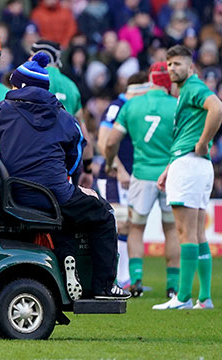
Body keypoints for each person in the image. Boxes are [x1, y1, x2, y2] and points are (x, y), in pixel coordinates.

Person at [0, 53, 130, 300]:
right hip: (54, 195)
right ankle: (104, 286)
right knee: (102, 214)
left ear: (18, 85)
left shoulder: (1, 111)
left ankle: (64, 258)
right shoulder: (65, 117)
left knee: (51, 217)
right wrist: (69, 181)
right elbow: (75, 157)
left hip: (11, 197)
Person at [154, 45, 222, 310]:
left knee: (184, 232)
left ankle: (182, 298)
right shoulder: (186, 91)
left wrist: (204, 142)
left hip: (190, 163)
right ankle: (204, 298)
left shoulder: (193, 87)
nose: (172, 68)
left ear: (191, 67)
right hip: (194, 165)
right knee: (196, 233)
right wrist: (169, 168)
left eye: (178, 64)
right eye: (169, 64)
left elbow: (217, 107)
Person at [104, 62, 179, 298]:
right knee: (172, 229)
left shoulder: (132, 105)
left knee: (136, 227)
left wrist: (109, 162)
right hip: (170, 174)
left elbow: (110, 141)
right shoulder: (177, 105)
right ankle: (173, 286)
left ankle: (135, 281)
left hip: (142, 174)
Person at [96, 71, 149, 289]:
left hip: (129, 176)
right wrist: (119, 169)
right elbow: (103, 141)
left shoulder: (132, 108)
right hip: (114, 177)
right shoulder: (117, 107)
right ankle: (116, 278)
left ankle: (125, 279)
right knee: (118, 225)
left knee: (128, 226)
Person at [31, 40, 94, 188]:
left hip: (38, 159)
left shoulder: (32, 79)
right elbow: (83, 133)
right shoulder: (71, 86)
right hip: (68, 161)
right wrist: (88, 169)